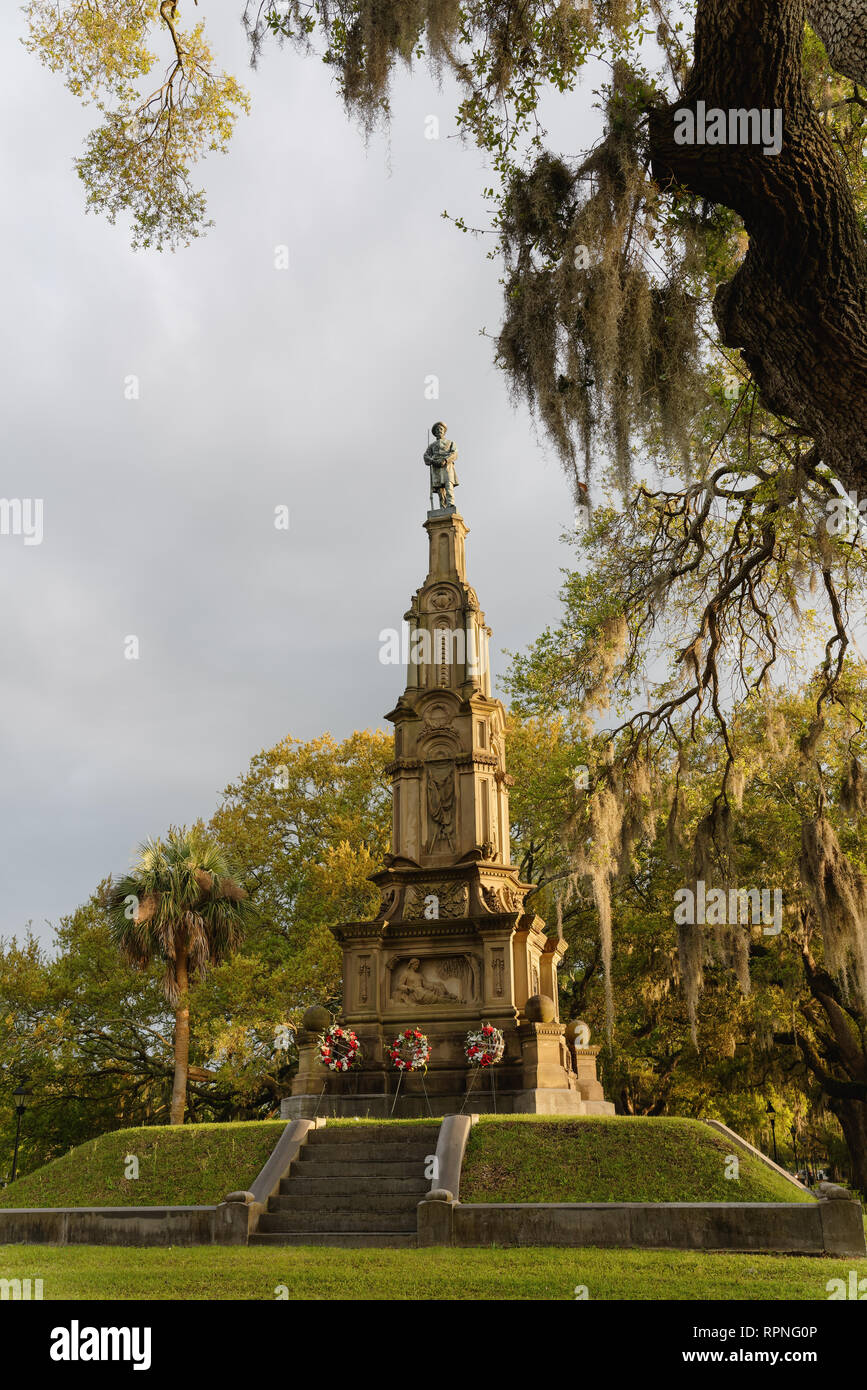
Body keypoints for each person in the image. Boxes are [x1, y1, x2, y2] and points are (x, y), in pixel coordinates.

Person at [424, 422, 459, 508]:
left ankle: (450, 503)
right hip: (436, 467)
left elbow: (454, 453)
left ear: (444, 431)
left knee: (448, 484)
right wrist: (432, 461)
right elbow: (426, 456)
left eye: (441, 429)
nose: (439, 430)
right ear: (435, 432)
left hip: (447, 466)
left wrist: (446, 460)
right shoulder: (431, 446)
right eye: (437, 429)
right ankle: (443, 507)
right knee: (440, 489)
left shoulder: (450, 443)